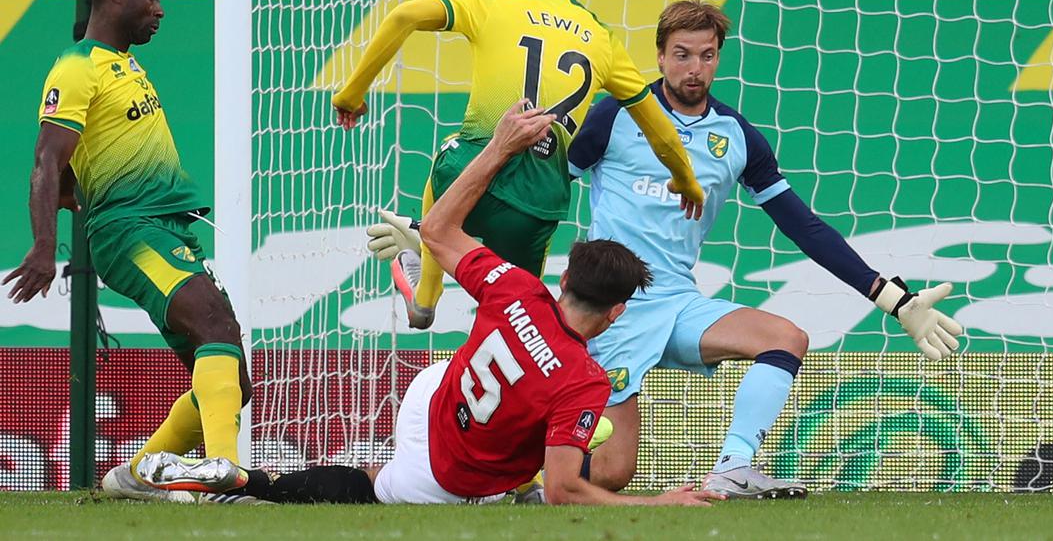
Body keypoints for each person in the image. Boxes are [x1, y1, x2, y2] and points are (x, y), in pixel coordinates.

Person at [138, 101, 723, 507]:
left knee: (498, 400)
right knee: (371, 487)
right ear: (617, 313)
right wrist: (662, 498)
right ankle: (247, 484)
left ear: (565, 276)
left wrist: (499, 145)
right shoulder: (584, 381)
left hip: (430, 393)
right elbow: (569, 489)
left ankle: (421, 292)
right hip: (445, 469)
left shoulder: (517, 286)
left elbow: (440, 226)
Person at [567, 0, 965, 499]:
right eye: (682, 55)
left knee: (785, 337)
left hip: (677, 301)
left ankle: (733, 469)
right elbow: (550, 189)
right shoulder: (615, 116)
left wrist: (892, 299)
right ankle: (516, 477)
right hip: (612, 307)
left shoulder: (736, 136)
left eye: (707, 56)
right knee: (609, 473)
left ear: (719, 56)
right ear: (661, 56)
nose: (695, 69)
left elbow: (804, 227)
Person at [334, 0, 703, 331]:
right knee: (518, 316)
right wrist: (686, 180)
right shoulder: (602, 39)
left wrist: (351, 95)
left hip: (470, 177)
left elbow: (404, 16)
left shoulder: (491, 2)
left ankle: (426, 293)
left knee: (451, 148)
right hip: (537, 203)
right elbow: (660, 129)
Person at [4, 0, 249, 500]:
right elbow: (47, 158)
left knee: (231, 375)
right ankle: (228, 480)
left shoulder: (125, 66)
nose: (161, 8)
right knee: (215, 327)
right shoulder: (76, 66)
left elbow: (71, 166)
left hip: (165, 228)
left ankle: (135, 476)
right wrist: (46, 244)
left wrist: (71, 191)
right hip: (131, 231)